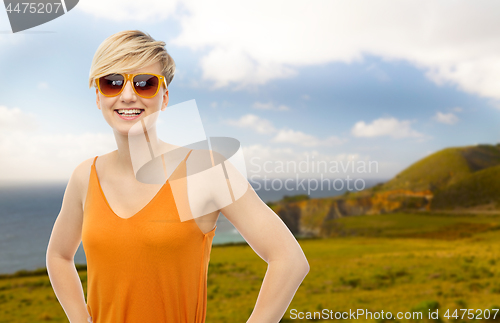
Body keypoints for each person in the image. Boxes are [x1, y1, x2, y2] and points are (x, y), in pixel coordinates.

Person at [46, 30, 309, 323]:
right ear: (98, 96)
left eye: (145, 83)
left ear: (164, 97)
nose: (128, 95)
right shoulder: (86, 176)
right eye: (113, 82)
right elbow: (58, 256)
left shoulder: (203, 170)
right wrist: (79, 319)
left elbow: (289, 260)